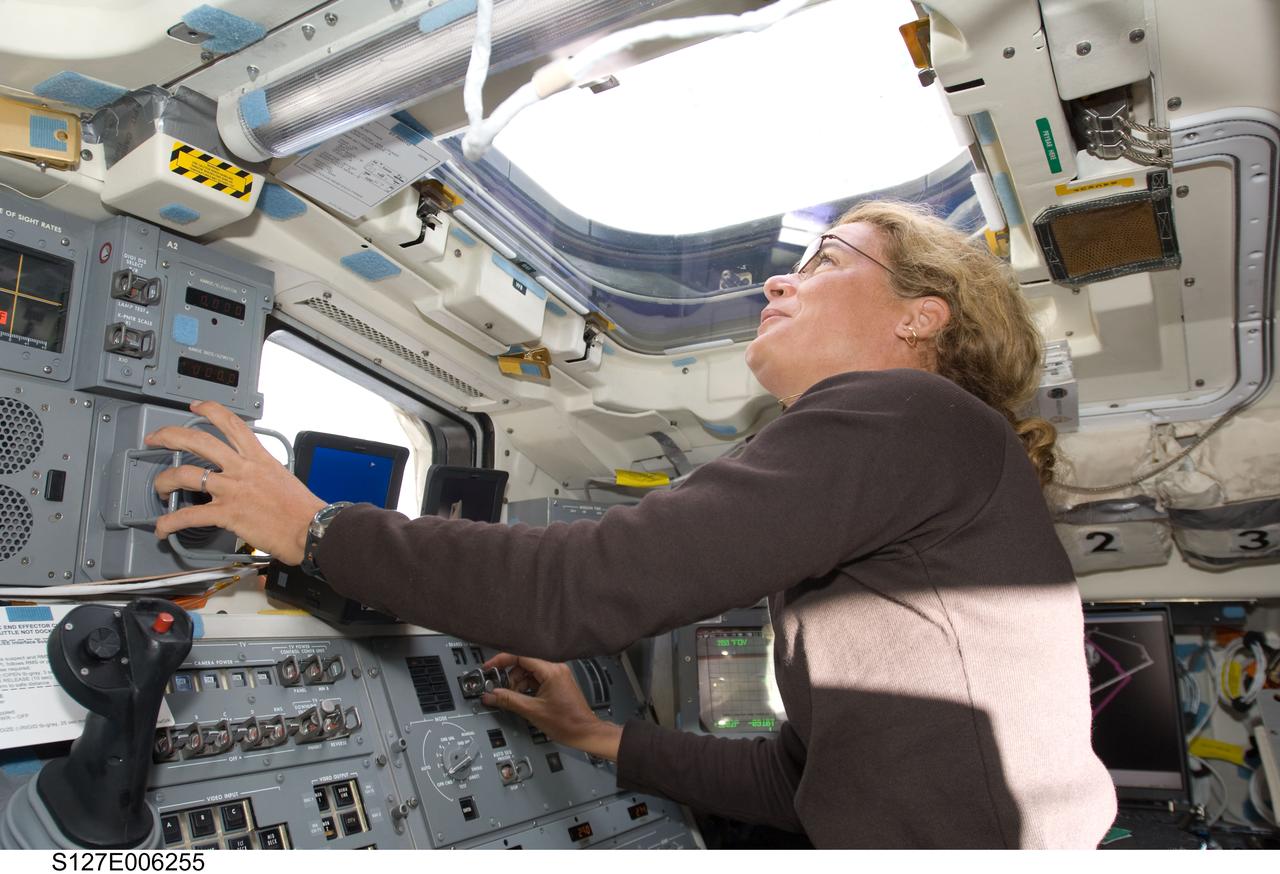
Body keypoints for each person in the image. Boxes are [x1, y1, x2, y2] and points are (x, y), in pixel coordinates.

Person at [146, 200, 1117, 848]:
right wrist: (601, 736)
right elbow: (804, 781)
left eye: (825, 260)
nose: (777, 283)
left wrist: (315, 529)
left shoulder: (911, 413)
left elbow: (576, 588)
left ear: (921, 317)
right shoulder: (916, 461)